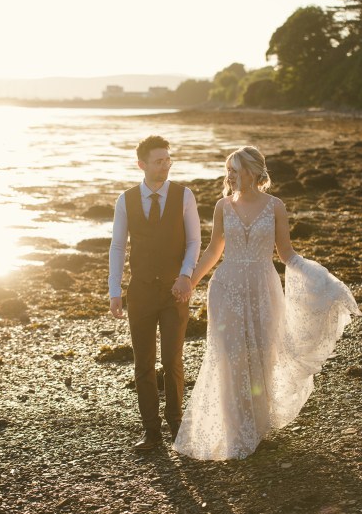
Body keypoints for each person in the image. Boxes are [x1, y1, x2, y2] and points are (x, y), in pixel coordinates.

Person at [173, 145, 361, 461]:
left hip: (263, 288)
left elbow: (286, 254)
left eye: (234, 170)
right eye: (228, 170)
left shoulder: (275, 207)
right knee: (231, 356)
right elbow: (212, 251)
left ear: (253, 172)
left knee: (262, 355)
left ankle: (258, 428)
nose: (229, 175)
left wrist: (322, 280)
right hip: (227, 287)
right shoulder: (222, 206)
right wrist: (189, 281)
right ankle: (237, 433)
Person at [109, 135, 201, 450]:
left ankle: (177, 427)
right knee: (143, 363)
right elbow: (118, 246)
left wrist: (186, 275)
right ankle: (151, 433)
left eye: (167, 159)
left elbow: (194, 242)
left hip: (175, 291)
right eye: (159, 160)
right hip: (141, 292)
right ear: (142, 165)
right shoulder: (126, 200)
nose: (166, 165)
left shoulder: (184, 195)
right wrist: (114, 290)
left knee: (172, 359)